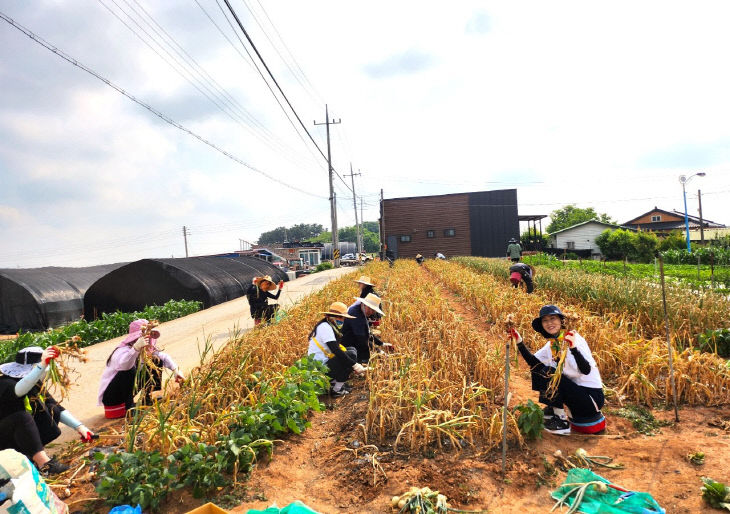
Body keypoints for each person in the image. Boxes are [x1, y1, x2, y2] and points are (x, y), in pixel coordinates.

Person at [510, 305, 605, 435]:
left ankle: (561, 421)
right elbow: (534, 363)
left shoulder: (574, 339)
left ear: (561, 321)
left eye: (553, 318)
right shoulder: (552, 344)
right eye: (545, 320)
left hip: (591, 398)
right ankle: (553, 409)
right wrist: (519, 341)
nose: (549, 323)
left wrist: (573, 348)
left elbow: (586, 370)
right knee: (541, 369)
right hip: (576, 396)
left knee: (549, 372)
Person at [0, 346, 94, 475]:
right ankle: (45, 465)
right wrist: (42, 365)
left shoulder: (35, 384)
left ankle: (33, 455)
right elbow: (19, 390)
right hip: (4, 440)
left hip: (18, 437)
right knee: (22, 418)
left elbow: (54, 406)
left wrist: (80, 428)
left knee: (50, 409)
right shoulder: (6, 383)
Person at [98, 319, 185, 418]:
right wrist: (135, 348)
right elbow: (125, 366)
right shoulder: (122, 351)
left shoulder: (144, 351)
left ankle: (147, 399)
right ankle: (129, 408)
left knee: (155, 360)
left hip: (124, 393)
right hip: (112, 398)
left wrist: (176, 371)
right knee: (130, 370)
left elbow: (163, 357)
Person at [307, 302, 367, 396]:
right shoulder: (325, 327)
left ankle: (334, 382)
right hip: (320, 368)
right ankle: (336, 389)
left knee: (352, 350)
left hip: (325, 362)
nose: (343, 320)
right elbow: (335, 350)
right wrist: (354, 365)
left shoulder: (329, 325)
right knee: (350, 355)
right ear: (334, 317)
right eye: (341, 318)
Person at [341, 293, 388, 364]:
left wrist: (381, 343)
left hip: (353, 340)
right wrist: (378, 351)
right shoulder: (355, 314)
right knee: (365, 356)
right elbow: (362, 338)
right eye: (369, 308)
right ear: (363, 304)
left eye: (373, 310)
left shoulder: (360, 311)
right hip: (347, 344)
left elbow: (367, 333)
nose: (371, 312)